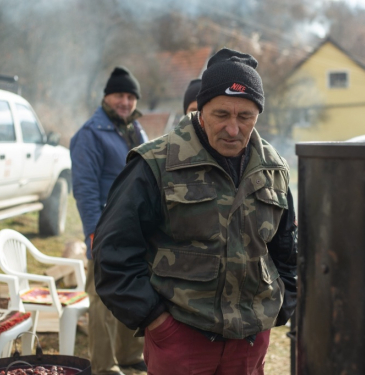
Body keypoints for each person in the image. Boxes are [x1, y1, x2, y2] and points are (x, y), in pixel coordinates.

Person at [93, 49, 297, 375]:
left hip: (249, 341)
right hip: (182, 338)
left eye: (245, 116)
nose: (233, 129)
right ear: (200, 111)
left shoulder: (274, 169)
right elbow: (112, 253)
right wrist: (157, 322)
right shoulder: (155, 164)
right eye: (221, 114)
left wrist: (280, 309)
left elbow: (286, 249)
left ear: (258, 114)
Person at [70, 66, 148, 375]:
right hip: (104, 228)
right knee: (102, 299)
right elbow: (85, 189)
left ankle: (129, 356)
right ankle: (103, 365)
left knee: (133, 291)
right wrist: (92, 231)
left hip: (135, 227)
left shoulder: (135, 129)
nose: (125, 102)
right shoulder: (90, 134)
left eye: (130, 96)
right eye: (119, 95)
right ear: (107, 97)